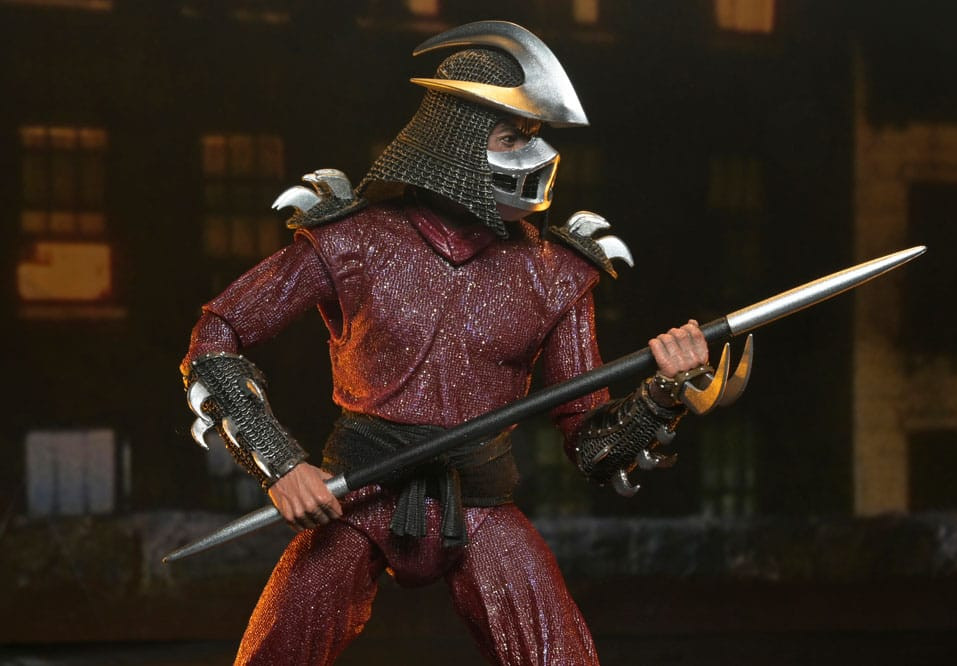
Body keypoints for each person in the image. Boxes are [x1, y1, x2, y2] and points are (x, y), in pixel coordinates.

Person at [182, 20, 709, 665]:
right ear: (454, 144)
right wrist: (281, 463)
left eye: (533, 136)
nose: (533, 155)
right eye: (511, 137)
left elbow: (593, 446)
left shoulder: (555, 273)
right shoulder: (354, 242)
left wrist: (662, 392)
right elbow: (218, 335)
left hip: (479, 500)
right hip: (360, 495)